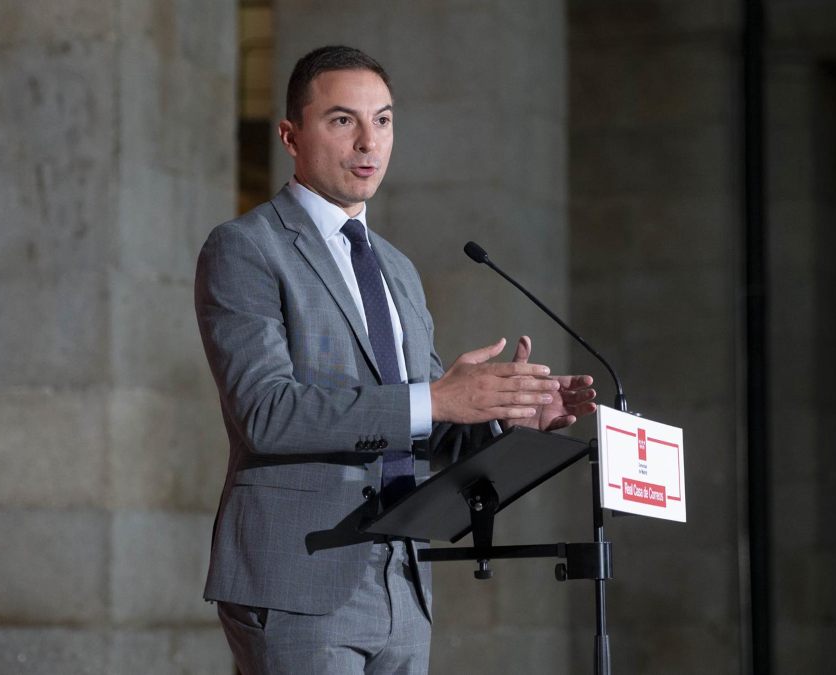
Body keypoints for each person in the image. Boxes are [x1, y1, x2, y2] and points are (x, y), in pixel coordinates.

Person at [194, 45, 597, 675]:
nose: (367, 142)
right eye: (342, 120)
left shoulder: (397, 270)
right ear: (290, 135)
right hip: (299, 579)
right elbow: (266, 412)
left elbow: (424, 432)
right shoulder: (247, 248)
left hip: (401, 581)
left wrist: (504, 416)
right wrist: (437, 397)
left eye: (382, 120)